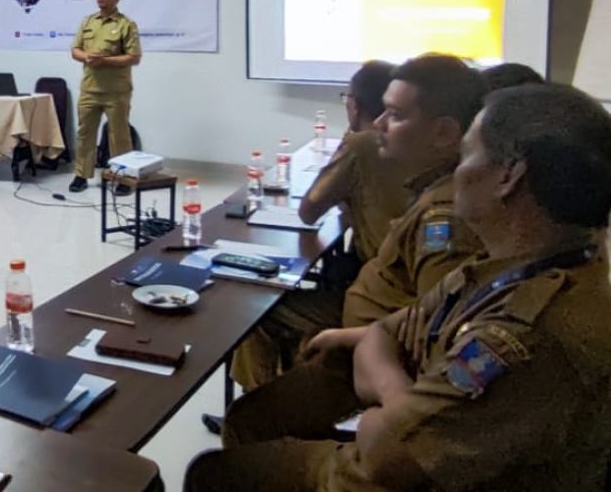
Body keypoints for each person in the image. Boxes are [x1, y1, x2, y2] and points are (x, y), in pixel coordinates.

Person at [185, 83, 611, 491]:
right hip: (405, 420)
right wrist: (396, 395)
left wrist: (388, 404)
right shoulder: (513, 266)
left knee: (218, 474)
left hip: (383, 476)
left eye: (468, 155)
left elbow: (384, 454)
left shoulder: (525, 336)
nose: (457, 172)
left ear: (508, 177)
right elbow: (391, 329)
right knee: (257, 420)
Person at [220, 54, 488, 444]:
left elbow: (433, 328)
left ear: (445, 132)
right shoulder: (430, 187)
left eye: (394, 115)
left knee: (257, 328)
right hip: (366, 336)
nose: (379, 123)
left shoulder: (443, 217)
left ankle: (270, 413)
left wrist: (362, 341)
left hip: (367, 355)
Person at [229, 60, 407, 391]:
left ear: (353, 104)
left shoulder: (362, 144)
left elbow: (309, 211)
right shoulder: (426, 154)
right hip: (395, 294)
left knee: (257, 313)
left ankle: (261, 411)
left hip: (379, 299)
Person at [68, 0, 142, 194]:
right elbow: (75, 50)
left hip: (116, 92)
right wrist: (86, 56)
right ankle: (81, 175)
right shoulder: (88, 22)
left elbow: (134, 57)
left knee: (119, 136)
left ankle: (123, 178)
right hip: (90, 89)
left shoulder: (126, 24)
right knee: (84, 134)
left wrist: (105, 60)